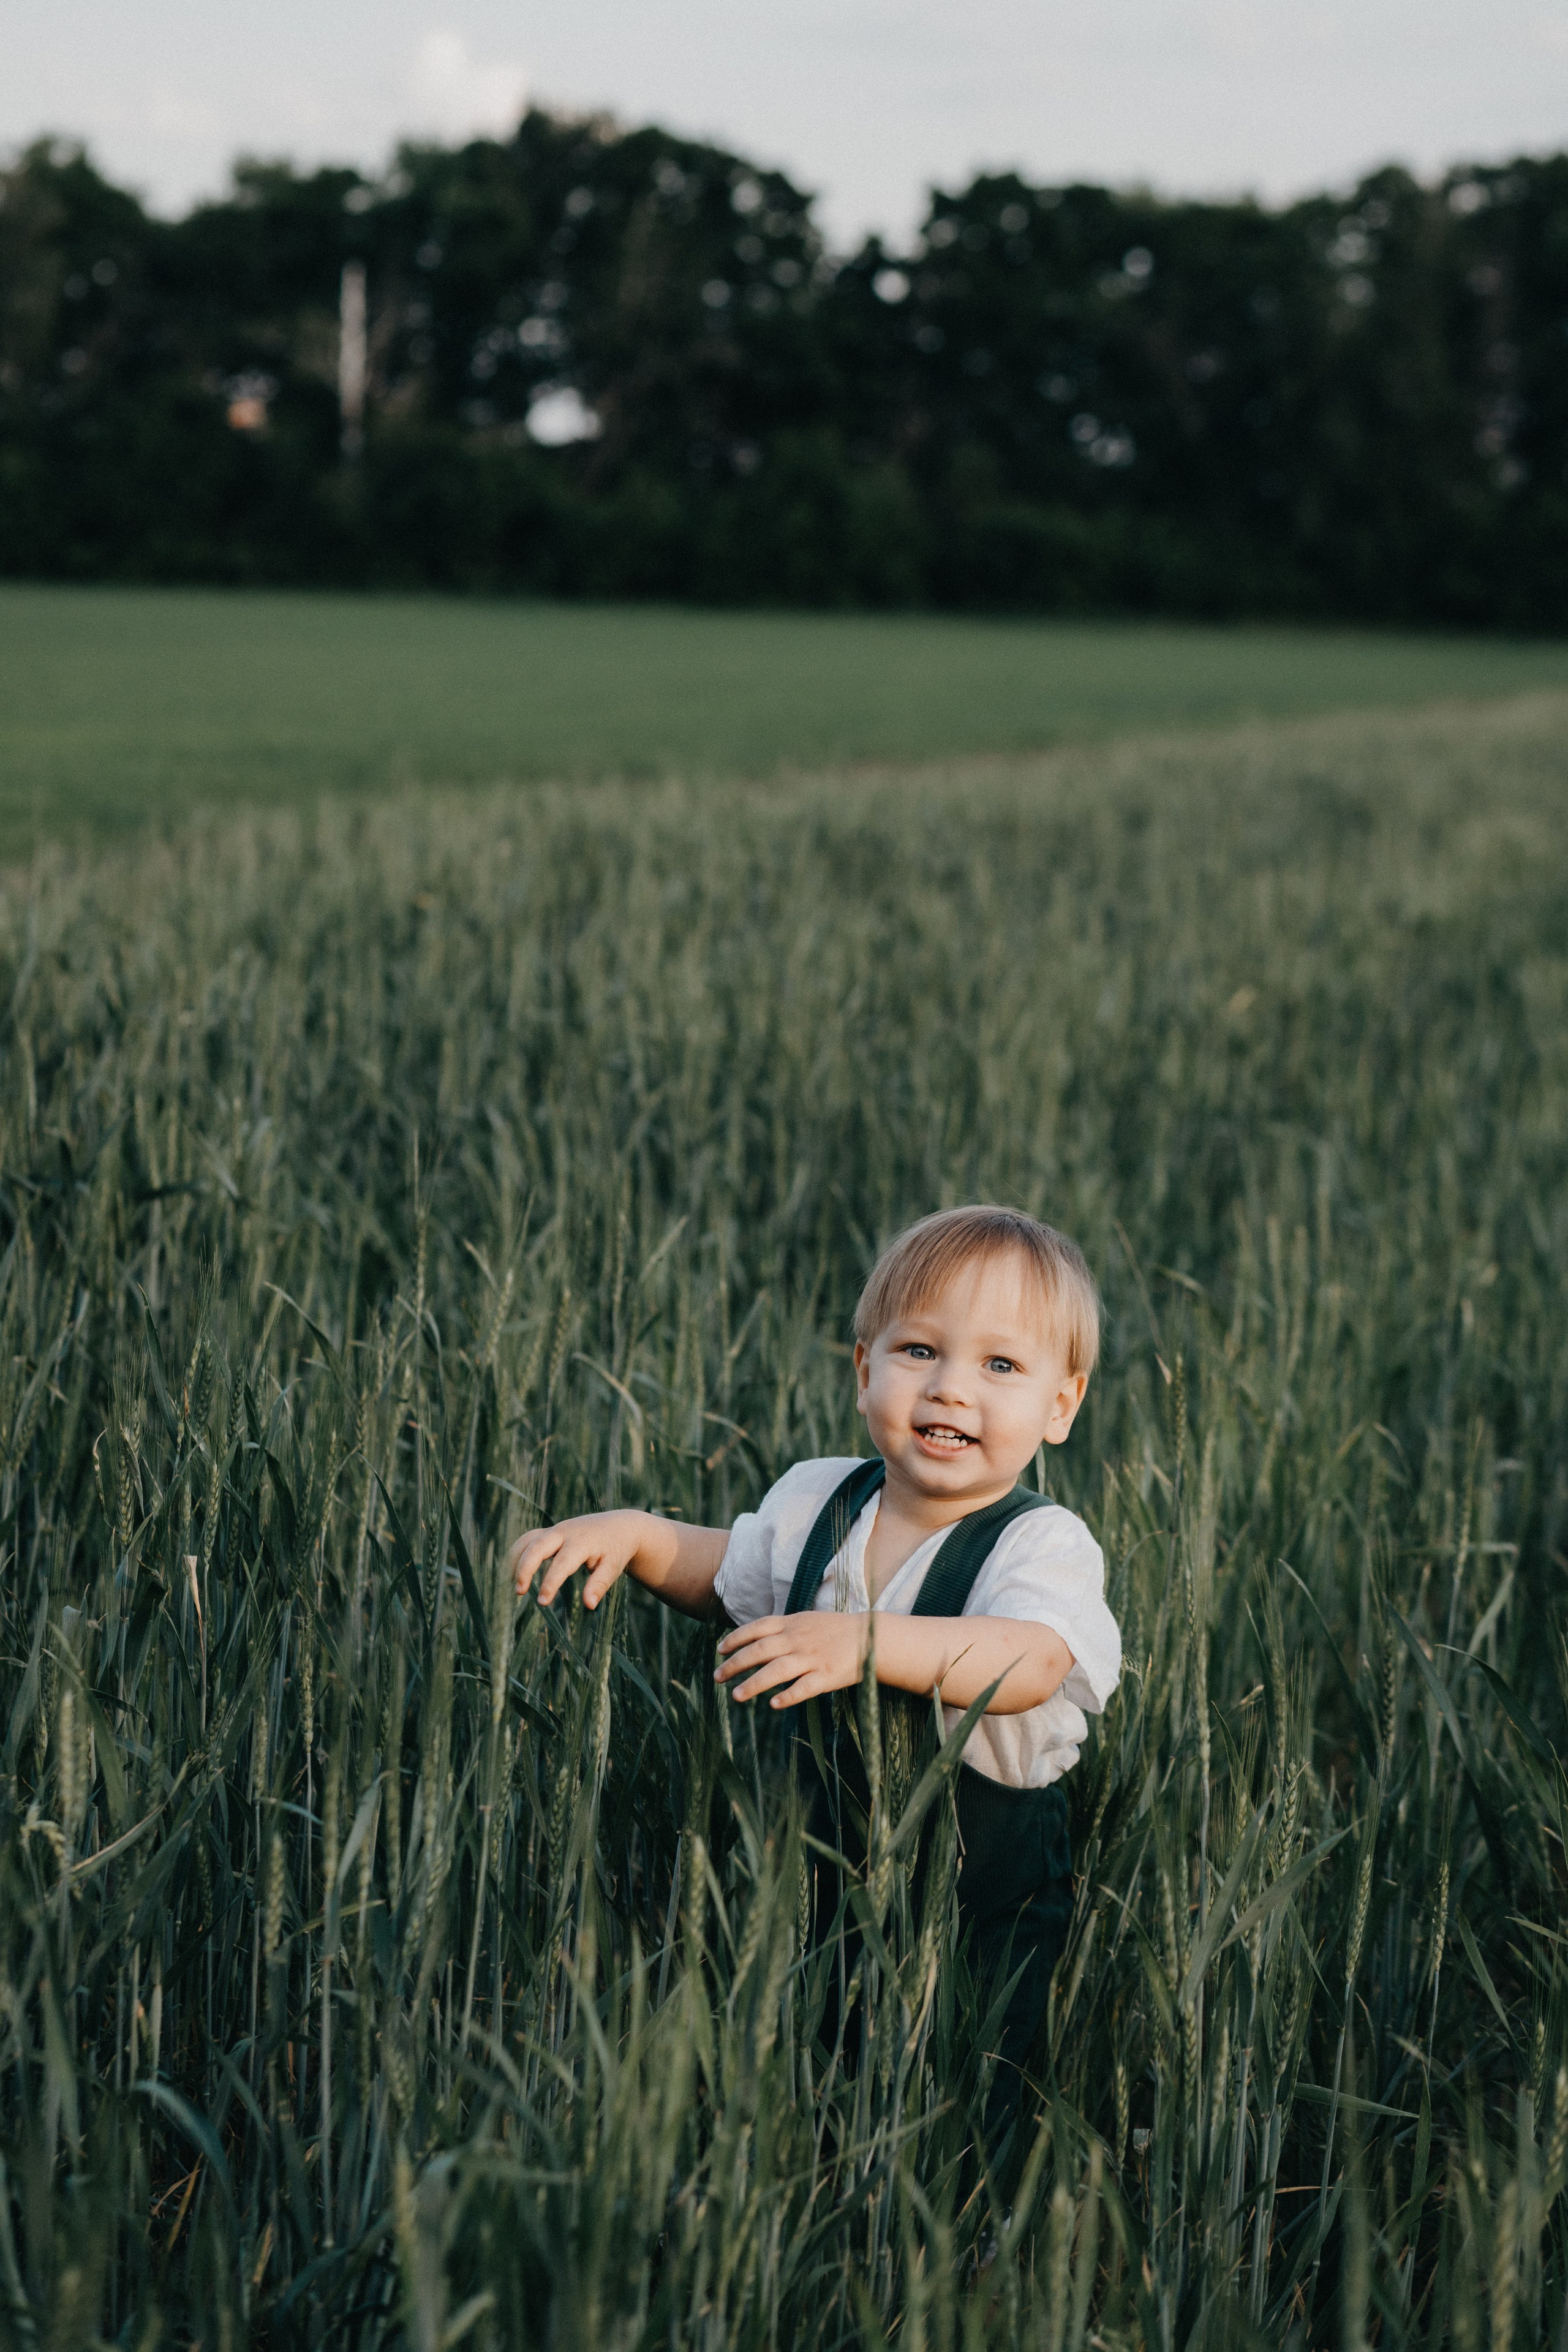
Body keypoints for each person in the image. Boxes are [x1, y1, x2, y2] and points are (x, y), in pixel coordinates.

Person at [509, 1204, 1121, 2150]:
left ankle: (966, 2231)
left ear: (1060, 1406)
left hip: (976, 1890)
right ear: (863, 1369)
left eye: (1000, 1366)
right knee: (821, 2045)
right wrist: (637, 1536)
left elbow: (1030, 1661)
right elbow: (726, 1578)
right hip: (823, 1864)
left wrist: (865, 1645)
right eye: (920, 1350)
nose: (952, 1390)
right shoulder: (820, 1504)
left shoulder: (1039, 1545)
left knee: (970, 2080)